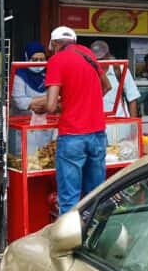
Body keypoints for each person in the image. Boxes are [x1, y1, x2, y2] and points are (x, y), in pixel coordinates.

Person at [44, 26, 111, 214]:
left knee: (69, 200)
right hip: (98, 134)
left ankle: (70, 241)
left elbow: (50, 106)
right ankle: (93, 238)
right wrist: (85, 101)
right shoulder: (88, 53)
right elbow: (107, 86)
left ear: (56, 44)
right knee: (95, 195)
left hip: (72, 135)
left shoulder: (56, 60)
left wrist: (64, 104)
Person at [90, 40, 140, 118]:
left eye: (102, 59)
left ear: (108, 56)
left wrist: (133, 125)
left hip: (119, 120)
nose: (99, 62)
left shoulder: (120, 69)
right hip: (96, 122)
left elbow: (132, 98)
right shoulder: (88, 72)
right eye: (96, 60)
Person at [11, 41, 49, 116]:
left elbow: (57, 101)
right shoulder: (19, 75)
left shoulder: (49, 73)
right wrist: (48, 99)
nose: (38, 63)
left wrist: (31, 102)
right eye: (35, 60)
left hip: (47, 122)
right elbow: (21, 103)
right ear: (27, 58)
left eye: (42, 60)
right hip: (23, 121)